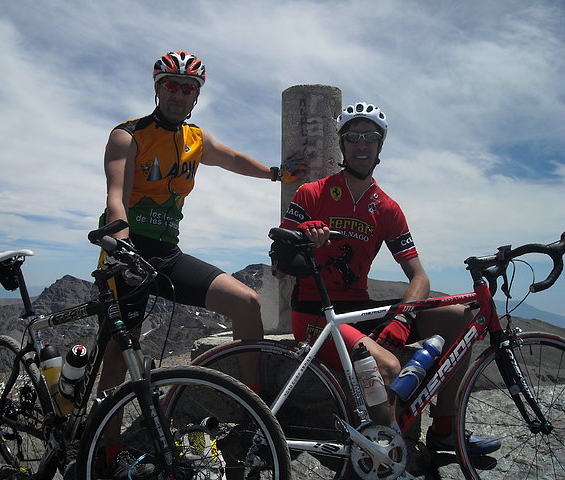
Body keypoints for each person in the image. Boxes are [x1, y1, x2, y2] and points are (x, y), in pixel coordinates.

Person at [97, 51, 305, 475]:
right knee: (119, 357)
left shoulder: (196, 139)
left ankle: (255, 406)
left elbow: (230, 159)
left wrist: (277, 173)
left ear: (196, 95)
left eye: (188, 87)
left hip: (167, 255)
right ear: (157, 88)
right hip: (126, 254)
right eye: (171, 85)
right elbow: (115, 195)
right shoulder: (128, 135)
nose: (179, 93)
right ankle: (106, 445)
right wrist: (119, 245)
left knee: (246, 304)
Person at [274, 102, 501, 455]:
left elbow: (419, 277)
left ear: (380, 145)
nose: (362, 145)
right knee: (389, 367)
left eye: (370, 138)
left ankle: (445, 433)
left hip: (361, 310)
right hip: (317, 314)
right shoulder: (312, 194)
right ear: (342, 145)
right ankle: (382, 456)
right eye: (353, 137)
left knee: (460, 320)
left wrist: (402, 316)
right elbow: (278, 265)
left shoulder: (386, 207)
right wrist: (302, 239)